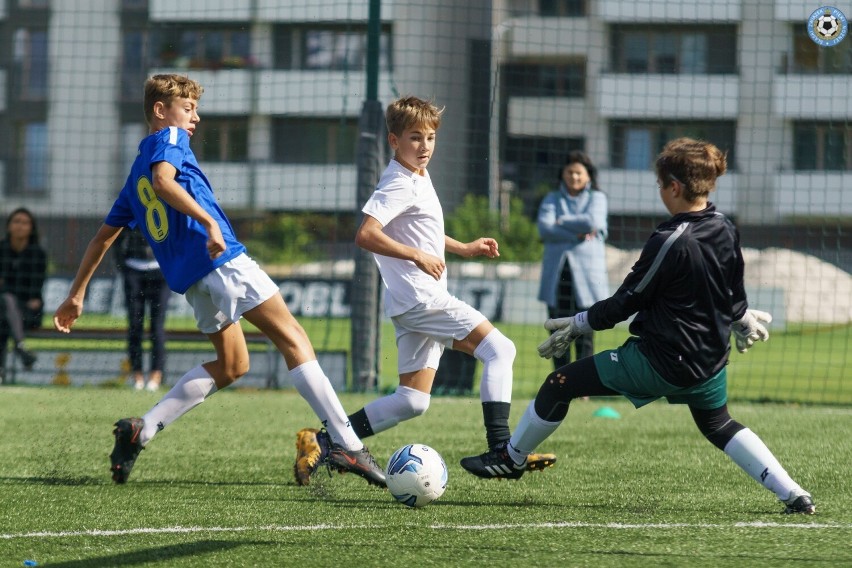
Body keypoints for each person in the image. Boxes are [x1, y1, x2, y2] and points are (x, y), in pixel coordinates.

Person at [53, 73, 386, 488]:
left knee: (232, 364)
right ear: (161, 111)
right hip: (223, 261)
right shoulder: (168, 140)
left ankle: (144, 428)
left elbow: (103, 237)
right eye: (188, 108)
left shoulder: (133, 176)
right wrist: (209, 221)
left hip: (192, 281)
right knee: (294, 340)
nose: (195, 117)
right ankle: (347, 443)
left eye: (195, 109)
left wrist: (76, 294)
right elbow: (165, 181)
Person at [460, 137, 816, 515]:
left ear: (674, 187)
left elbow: (628, 301)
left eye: (660, 184)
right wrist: (741, 317)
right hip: (710, 360)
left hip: (660, 360)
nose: (660, 191)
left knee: (558, 384)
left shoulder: (670, 240)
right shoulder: (725, 226)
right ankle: (793, 493)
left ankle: (511, 458)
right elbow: (732, 290)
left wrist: (580, 322)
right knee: (718, 423)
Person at [294, 95, 556, 485]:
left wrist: (463, 247)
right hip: (421, 298)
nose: (425, 146)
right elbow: (366, 234)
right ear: (393, 140)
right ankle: (502, 448)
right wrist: (416, 256)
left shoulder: (417, 174)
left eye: (431, 137)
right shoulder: (397, 182)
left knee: (412, 400)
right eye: (415, 138)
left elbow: (421, 230)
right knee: (500, 349)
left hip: (411, 302)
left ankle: (324, 440)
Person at [537, 151, 609, 368]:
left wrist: (561, 221)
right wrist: (576, 235)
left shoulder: (598, 198)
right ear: (563, 174)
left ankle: (584, 385)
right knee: (558, 330)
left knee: (585, 330)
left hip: (587, 277)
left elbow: (591, 222)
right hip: (558, 276)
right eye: (570, 172)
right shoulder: (551, 198)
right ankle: (560, 380)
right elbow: (545, 228)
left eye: (579, 173)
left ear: (588, 176)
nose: (574, 177)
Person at [115, 227, 172, 391]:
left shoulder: (165, 207)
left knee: (157, 326)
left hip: (161, 273)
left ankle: (156, 375)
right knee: (134, 325)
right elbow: (116, 239)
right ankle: (137, 375)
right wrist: (123, 265)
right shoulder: (131, 205)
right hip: (133, 270)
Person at [0, 207, 47, 380]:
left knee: (5, 305)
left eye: (25, 222)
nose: (20, 226)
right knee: (5, 305)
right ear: (9, 226)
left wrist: (7, 284)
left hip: (29, 312)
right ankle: (21, 347)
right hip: (11, 307)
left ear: (31, 228)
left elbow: (34, 290)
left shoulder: (38, 254)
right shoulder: (1, 249)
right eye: (16, 221)